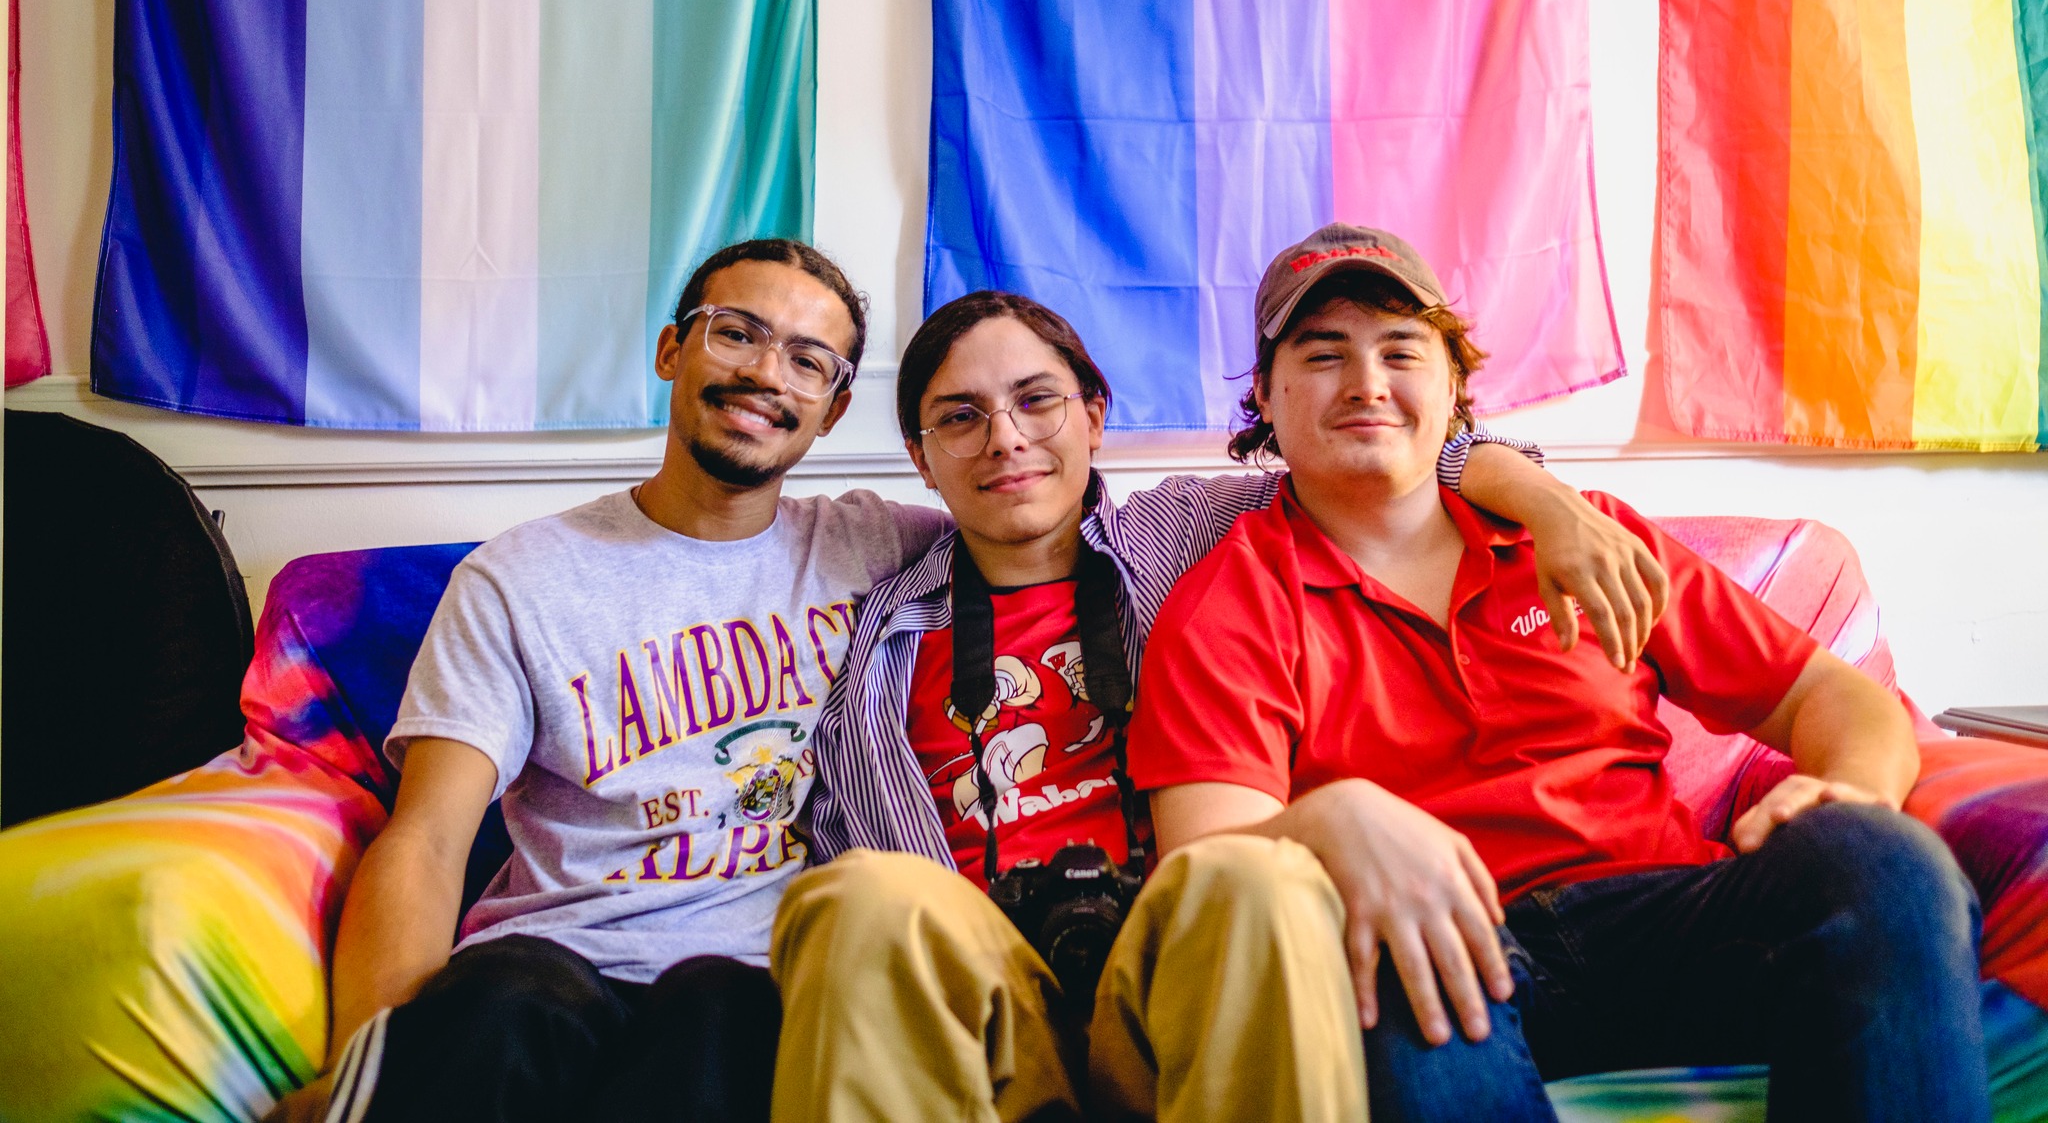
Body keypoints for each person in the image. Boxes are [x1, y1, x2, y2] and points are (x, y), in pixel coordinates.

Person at [1127, 224, 1990, 1123]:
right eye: (1324, 353)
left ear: (1456, 385)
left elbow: (1831, 694)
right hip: (1452, 953)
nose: (1367, 383)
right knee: (1375, 968)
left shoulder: (1584, 538)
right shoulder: (1228, 603)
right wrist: (1328, 820)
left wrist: (1847, 787)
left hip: (1680, 917)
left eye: (1400, 349)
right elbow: (1209, 865)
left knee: (1881, 857)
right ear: (1265, 393)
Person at [771, 286, 1673, 1123]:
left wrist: (1545, 500)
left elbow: (1386, 455)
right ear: (922, 460)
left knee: (1259, 876)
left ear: (1093, 416)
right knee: (858, 895)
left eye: (1036, 400)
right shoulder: (877, 624)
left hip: (1180, 962)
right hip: (987, 990)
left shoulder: (1191, 533)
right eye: (959, 418)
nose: (1004, 438)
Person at [267, 240, 953, 1123]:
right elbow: (429, 839)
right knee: (509, 997)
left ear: (832, 407)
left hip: (750, 977)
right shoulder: (522, 575)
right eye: (736, 332)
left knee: (720, 1010)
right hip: (548, 959)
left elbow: (1034, 528)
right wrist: (368, 1053)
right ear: (672, 350)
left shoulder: (880, 546)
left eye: (806, 359)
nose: (765, 374)